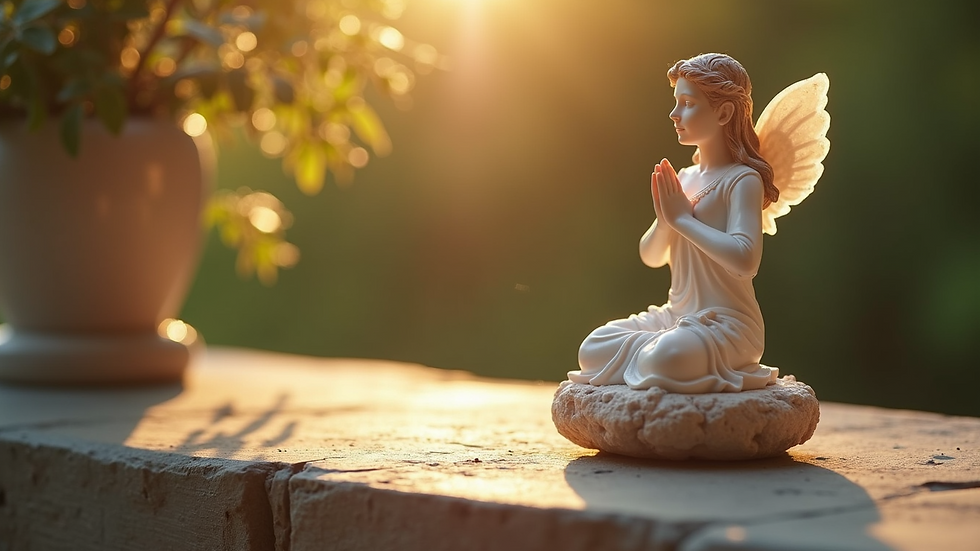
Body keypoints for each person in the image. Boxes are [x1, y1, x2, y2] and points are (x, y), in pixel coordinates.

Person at [569, 53, 782, 393]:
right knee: (593, 347)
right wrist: (667, 220)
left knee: (668, 356)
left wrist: (682, 218)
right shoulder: (684, 177)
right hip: (676, 316)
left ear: (723, 113)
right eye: (676, 102)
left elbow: (745, 260)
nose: (674, 114)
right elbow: (652, 257)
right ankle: (655, 359)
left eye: (687, 103)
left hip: (725, 324)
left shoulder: (743, 180)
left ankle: (659, 361)